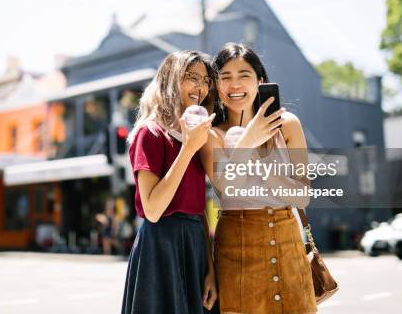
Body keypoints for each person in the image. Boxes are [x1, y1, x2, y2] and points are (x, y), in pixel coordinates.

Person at [199, 43, 316, 314]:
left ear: (260, 81)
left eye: (244, 75)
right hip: (237, 244)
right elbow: (227, 186)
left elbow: (302, 196)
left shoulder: (287, 124)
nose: (234, 84)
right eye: (225, 76)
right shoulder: (211, 134)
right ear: (216, 86)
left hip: (287, 239)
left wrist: (259, 156)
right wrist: (249, 140)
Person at [121, 50, 219, 314]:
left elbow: (199, 209)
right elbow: (152, 210)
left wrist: (210, 268)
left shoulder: (194, 137)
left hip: (195, 245)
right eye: (191, 77)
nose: (201, 87)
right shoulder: (149, 133)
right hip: (160, 247)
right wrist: (188, 149)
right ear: (170, 79)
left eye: (206, 80)